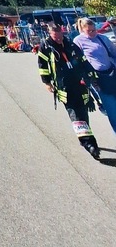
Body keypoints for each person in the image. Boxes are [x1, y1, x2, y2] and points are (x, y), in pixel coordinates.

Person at [37, 22, 101, 160]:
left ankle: (84, 136)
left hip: (80, 84)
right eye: (56, 37)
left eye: (60, 36)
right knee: (76, 115)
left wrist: (92, 76)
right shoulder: (45, 47)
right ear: (50, 34)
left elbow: (83, 60)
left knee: (83, 112)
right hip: (64, 87)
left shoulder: (71, 44)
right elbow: (42, 66)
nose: (59, 39)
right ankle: (90, 145)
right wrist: (47, 82)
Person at [73, 17, 116, 136]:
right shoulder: (78, 41)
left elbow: (114, 53)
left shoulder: (102, 39)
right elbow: (77, 61)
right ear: (82, 30)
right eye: (89, 31)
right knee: (113, 110)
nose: (93, 33)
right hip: (98, 79)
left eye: (94, 30)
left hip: (112, 74)